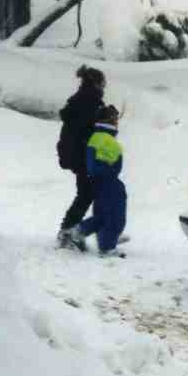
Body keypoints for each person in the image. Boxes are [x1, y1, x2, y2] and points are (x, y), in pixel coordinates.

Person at [55, 66, 107, 249]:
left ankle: (72, 230)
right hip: (83, 155)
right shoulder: (89, 101)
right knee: (86, 194)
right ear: (95, 83)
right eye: (103, 83)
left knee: (87, 193)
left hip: (77, 154)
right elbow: (87, 130)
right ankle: (68, 232)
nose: (104, 87)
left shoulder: (83, 99)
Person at [72, 104, 128, 257]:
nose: (117, 122)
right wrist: (108, 169)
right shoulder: (105, 140)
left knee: (103, 215)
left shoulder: (97, 138)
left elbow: (94, 164)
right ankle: (107, 247)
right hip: (108, 181)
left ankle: (79, 231)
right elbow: (103, 165)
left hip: (100, 182)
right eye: (115, 119)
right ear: (109, 121)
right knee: (115, 216)